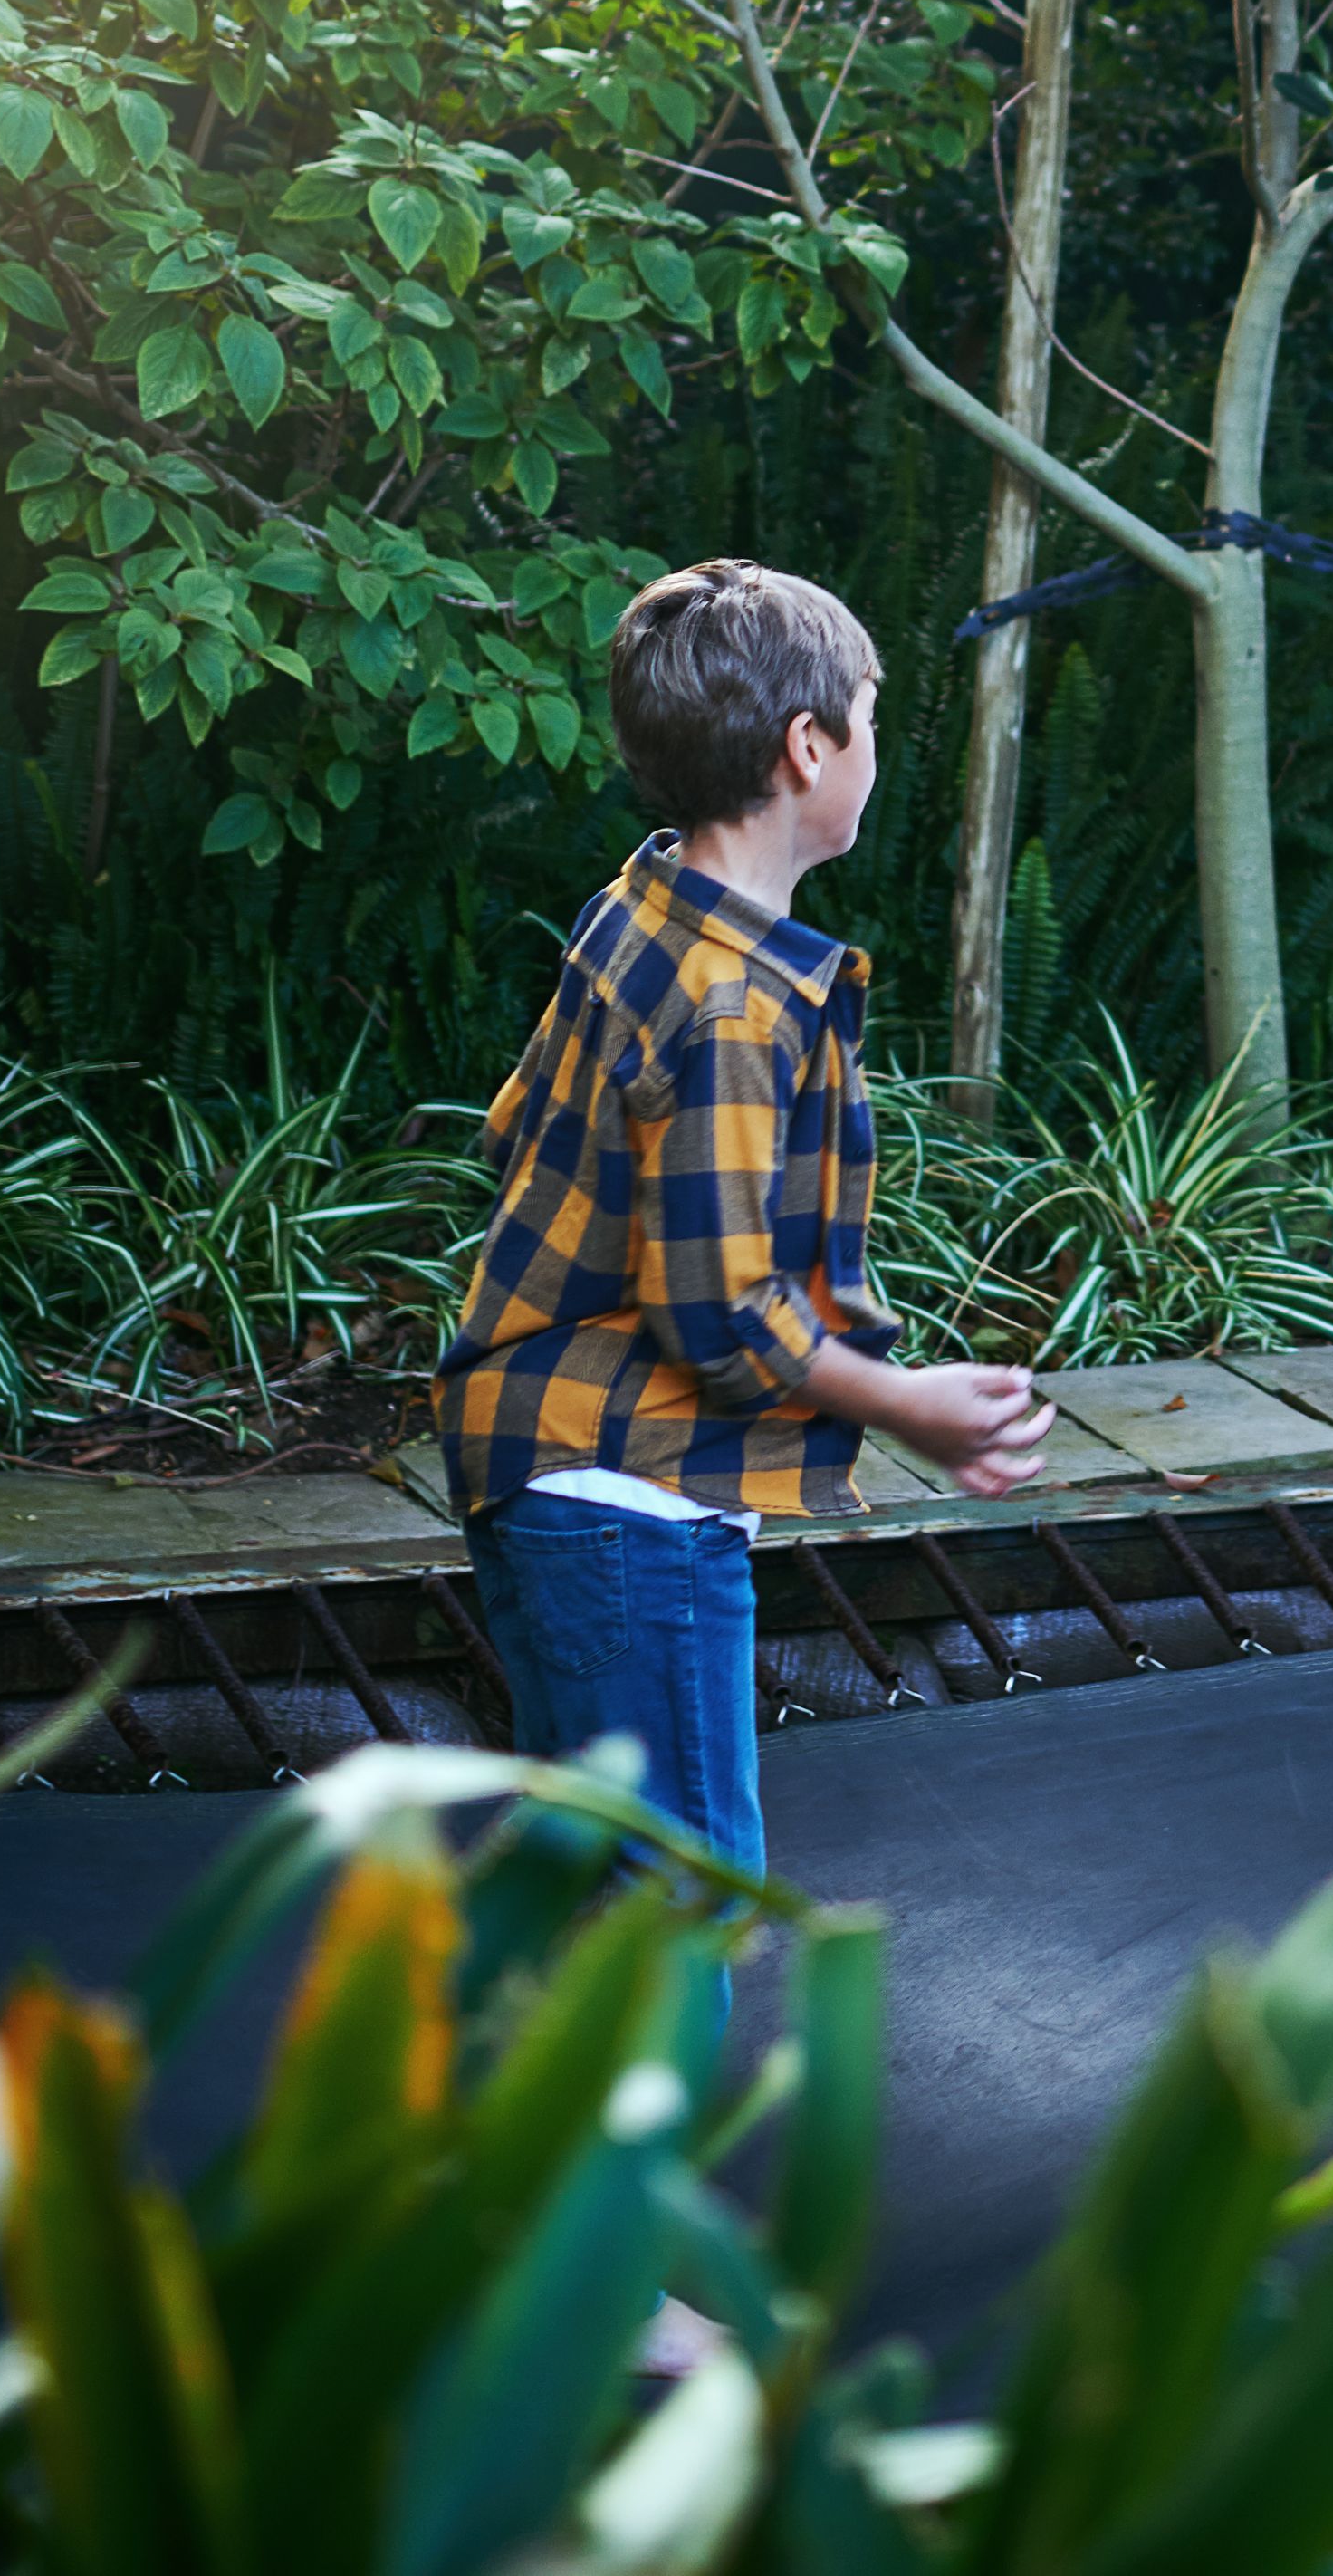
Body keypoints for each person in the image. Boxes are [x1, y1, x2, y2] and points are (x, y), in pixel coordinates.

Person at [437, 557, 1052, 1877]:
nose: (875, 748)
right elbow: (717, 1313)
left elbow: (515, 1131)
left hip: (541, 1465)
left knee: (591, 1901)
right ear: (809, 746)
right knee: (679, 1901)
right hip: (621, 1508)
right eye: (872, 719)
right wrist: (910, 1406)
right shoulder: (735, 1005)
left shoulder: (641, 902)